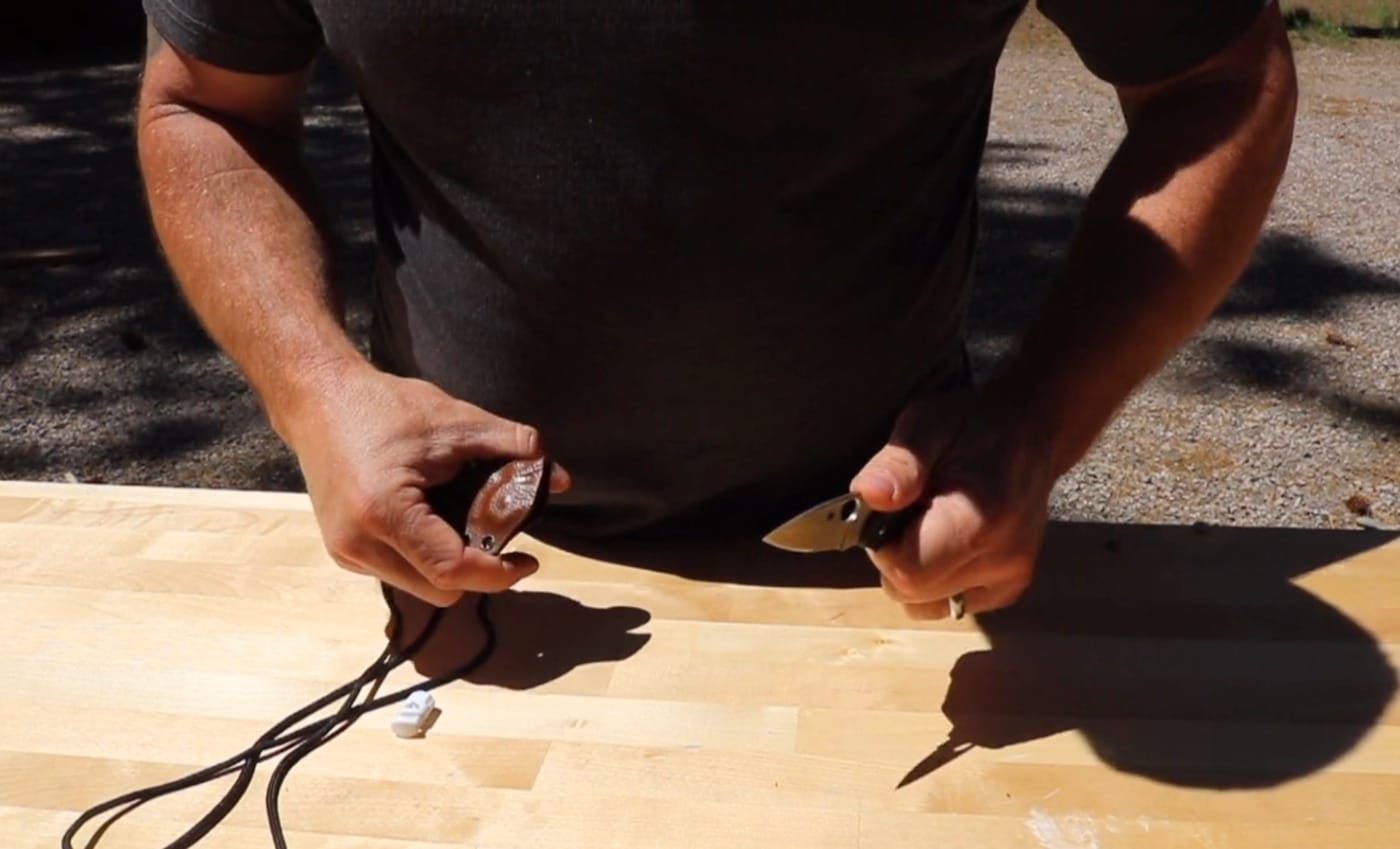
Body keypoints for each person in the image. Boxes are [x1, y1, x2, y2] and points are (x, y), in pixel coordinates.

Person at [135, 1, 1297, 619]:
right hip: (447, 550)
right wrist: (314, 391)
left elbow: (1218, 80)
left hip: (883, 544)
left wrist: (1040, 420)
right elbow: (206, 104)